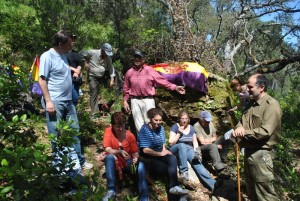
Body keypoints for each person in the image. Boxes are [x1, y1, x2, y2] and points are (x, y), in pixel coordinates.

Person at [39, 30, 93, 170]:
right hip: (55, 101)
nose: (72, 44)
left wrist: (75, 70)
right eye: (70, 42)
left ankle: (79, 161)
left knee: (74, 130)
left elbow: (64, 70)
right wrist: (48, 101)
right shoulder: (47, 56)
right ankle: (59, 166)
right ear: (61, 43)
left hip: (68, 101)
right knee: (56, 134)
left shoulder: (63, 55)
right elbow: (42, 79)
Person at [232, 74, 282, 201]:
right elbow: (241, 123)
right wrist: (238, 128)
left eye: (250, 86)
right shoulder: (249, 104)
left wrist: (244, 133)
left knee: (265, 195)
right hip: (248, 152)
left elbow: (265, 131)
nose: (247, 89)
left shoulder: (271, 105)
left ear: (262, 87)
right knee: (252, 191)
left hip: (262, 154)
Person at [123, 50, 186, 132]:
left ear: (143, 60)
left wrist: (175, 87)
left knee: (150, 122)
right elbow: (126, 88)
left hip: (148, 100)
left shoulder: (149, 70)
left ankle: (152, 143)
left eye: (139, 58)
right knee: (138, 124)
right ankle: (143, 143)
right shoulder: (129, 72)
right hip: (134, 100)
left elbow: (161, 80)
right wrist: (125, 100)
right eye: (135, 57)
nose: (137, 59)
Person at [138, 108, 188, 198]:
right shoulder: (144, 130)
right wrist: (160, 154)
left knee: (172, 158)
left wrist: (165, 150)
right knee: (168, 170)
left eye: (160, 120)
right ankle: (174, 195)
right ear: (150, 119)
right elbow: (145, 150)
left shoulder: (160, 128)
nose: (158, 122)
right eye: (156, 120)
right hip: (148, 157)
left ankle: (174, 187)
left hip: (159, 153)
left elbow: (162, 143)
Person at [169, 110, 221, 191]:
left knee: (198, 164)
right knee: (182, 145)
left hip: (188, 149)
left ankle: (213, 184)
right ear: (179, 119)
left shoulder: (191, 128)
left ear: (188, 119)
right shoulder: (175, 127)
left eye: (186, 118)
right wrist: (179, 133)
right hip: (176, 148)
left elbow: (194, 142)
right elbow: (171, 143)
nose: (184, 120)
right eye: (182, 118)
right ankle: (184, 171)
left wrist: (197, 152)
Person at [101, 112, 148, 201]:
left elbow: (135, 152)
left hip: (127, 162)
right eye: (117, 126)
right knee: (109, 157)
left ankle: (144, 196)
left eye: (122, 125)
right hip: (114, 162)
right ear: (112, 125)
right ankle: (111, 190)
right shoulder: (108, 131)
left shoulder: (130, 135)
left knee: (140, 165)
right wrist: (119, 151)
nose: (120, 128)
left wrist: (135, 158)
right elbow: (107, 149)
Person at [80, 43, 115, 118]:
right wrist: (85, 62)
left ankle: (105, 107)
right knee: (94, 93)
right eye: (106, 53)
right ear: (102, 50)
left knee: (110, 92)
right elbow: (81, 53)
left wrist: (112, 79)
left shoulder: (108, 58)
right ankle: (94, 113)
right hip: (92, 76)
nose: (106, 55)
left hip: (102, 77)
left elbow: (111, 69)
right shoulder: (93, 52)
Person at [66, 34, 83, 106]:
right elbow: (61, 64)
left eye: (74, 40)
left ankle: (73, 113)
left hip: (75, 79)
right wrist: (74, 70)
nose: (73, 42)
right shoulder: (63, 53)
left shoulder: (76, 53)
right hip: (66, 78)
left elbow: (80, 64)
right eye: (71, 40)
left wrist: (77, 71)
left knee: (75, 98)